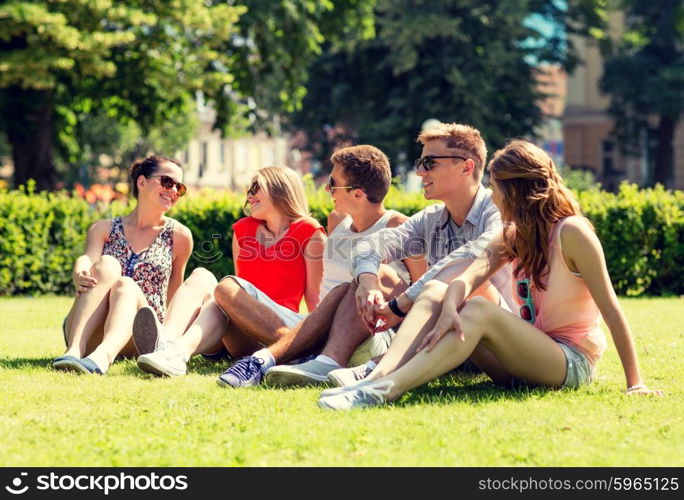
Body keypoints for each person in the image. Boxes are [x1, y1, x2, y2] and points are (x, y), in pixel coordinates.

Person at [318, 140, 664, 410]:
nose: (492, 194)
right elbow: (467, 276)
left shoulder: (573, 233)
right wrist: (450, 303)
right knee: (444, 291)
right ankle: (375, 378)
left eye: (495, 186)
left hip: (568, 362)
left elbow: (611, 307)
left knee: (478, 310)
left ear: (517, 190)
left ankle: (383, 391)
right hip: (521, 357)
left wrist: (635, 382)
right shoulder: (513, 234)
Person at [265, 122, 514, 388]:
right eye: (420, 162)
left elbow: (468, 260)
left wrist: (402, 303)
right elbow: (370, 246)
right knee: (375, 275)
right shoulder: (432, 219)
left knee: (465, 283)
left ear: (466, 167)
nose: (419, 172)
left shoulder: (498, 212)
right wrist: (368, 281)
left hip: (501, 344)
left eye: (429, 163)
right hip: (447, 337)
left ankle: (373, 368)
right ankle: (328, 361)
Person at [209, 145, 428, 387]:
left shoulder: (400, 226)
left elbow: (424, 297)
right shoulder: (337, 222)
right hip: (315, 327)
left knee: (368, 276)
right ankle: (304, 352)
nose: (327, 189)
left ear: (357, 194)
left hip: (367, 336)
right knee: (226, 287)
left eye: (333, 184)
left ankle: (286, 355)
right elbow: (319, 293)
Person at [134, 165, 326, 378]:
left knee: (224, 292)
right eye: (249, 189)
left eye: (256, 188)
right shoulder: (243, 230)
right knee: (202, 275)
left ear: (278, 188)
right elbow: (239, 292)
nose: (249, 195)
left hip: (273, 332)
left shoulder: (310, 232)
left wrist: (319, 348)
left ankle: (176, 353)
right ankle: (166, 344)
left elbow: (316, 300)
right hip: (236, 329)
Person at [52, 155, 193, 374]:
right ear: (142, 182)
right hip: (92, 328)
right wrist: (79, 270)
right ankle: (73, 351)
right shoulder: (103, 228)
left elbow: (174, 292)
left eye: (179, 187)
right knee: (107, 264)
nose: (173, 190)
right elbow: (88, 258)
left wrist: (169, 340)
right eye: (167, 182)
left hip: (140, 336)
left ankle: (102, 358)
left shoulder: (180, 236)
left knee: (125, 286)